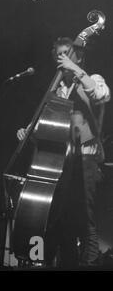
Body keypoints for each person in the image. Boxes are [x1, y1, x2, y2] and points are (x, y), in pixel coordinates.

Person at [17, 37, 110, 267]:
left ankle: (91, 265)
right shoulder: (55, 91)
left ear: (78, 56)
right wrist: (28, 132)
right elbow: (49, 129)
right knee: (64, 220)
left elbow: (102, 96)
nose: (63, 59)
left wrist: (75, 70)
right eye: (59, 56)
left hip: (86, 158)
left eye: (67, 54)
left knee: (86, 220)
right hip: (63, 162)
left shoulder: (92, 79)